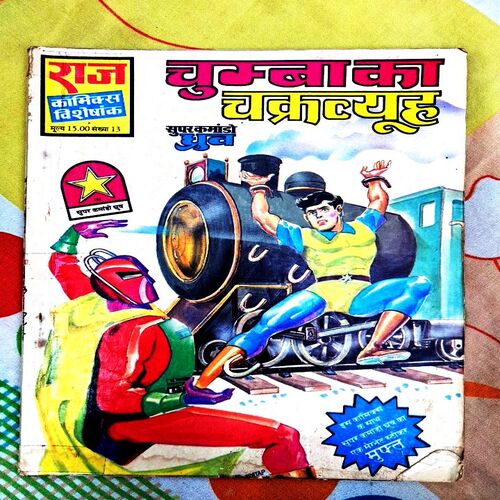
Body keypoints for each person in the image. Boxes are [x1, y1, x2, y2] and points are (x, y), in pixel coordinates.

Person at [36, 219, 314, 477]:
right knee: (283, 436)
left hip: (104, 420)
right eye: (137, 276)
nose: (150, 280)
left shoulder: (92, 303)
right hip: (128, 423)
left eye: (145, 274)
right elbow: (112, 401)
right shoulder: (135, 328)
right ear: (114, 285)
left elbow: (62, 266)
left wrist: (73, 234)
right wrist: (181, 399)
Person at [196, 160, 431, 390]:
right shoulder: (304, 236)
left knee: (419, 284)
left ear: (338, 210)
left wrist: (373, 179)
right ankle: (201, 384)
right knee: (265, 325)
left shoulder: (363, 227)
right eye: (312, 213)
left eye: (324, 210)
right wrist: (258, 189)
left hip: (360, 295)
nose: (319, 216)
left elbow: (378, 200)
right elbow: (263, 218)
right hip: (320, 294)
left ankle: (373, 347)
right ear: (307, 218)